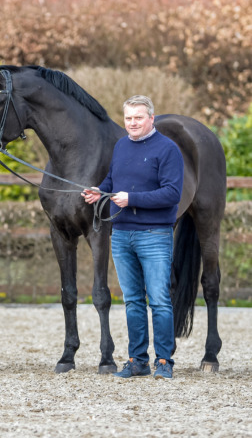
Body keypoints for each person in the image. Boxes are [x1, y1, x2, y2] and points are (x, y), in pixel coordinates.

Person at [82, 95, 183, 380]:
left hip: (154, 235)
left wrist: (132, 199)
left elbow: (172, 193)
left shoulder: (168, 149)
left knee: (160, 300)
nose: (133, 123)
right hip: (122, 235)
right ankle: (137, 360)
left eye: (138, 117)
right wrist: (99, 191)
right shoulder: (121, 146)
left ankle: (164, 361)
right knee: (132, 301)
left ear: (151, 118)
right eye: (128, 118)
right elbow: (113, 182)